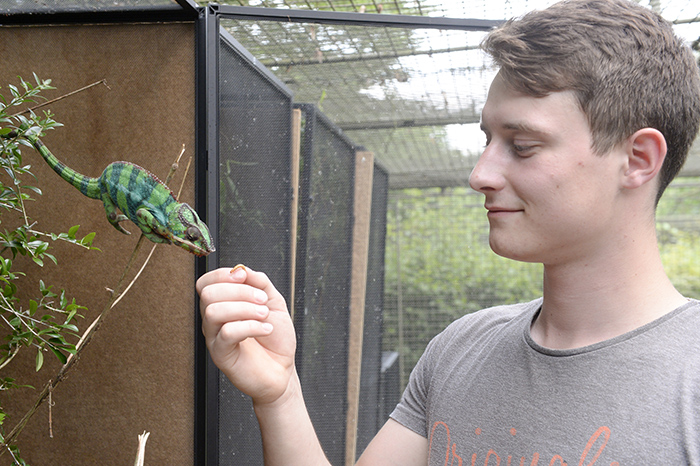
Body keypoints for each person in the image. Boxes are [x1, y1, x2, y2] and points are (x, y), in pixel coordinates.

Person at [196, 0, 700, 463]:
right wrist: (279, 393)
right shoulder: (462, 348)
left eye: (522, 145)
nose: (480, 174)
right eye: (487, 140)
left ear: (637, 160)